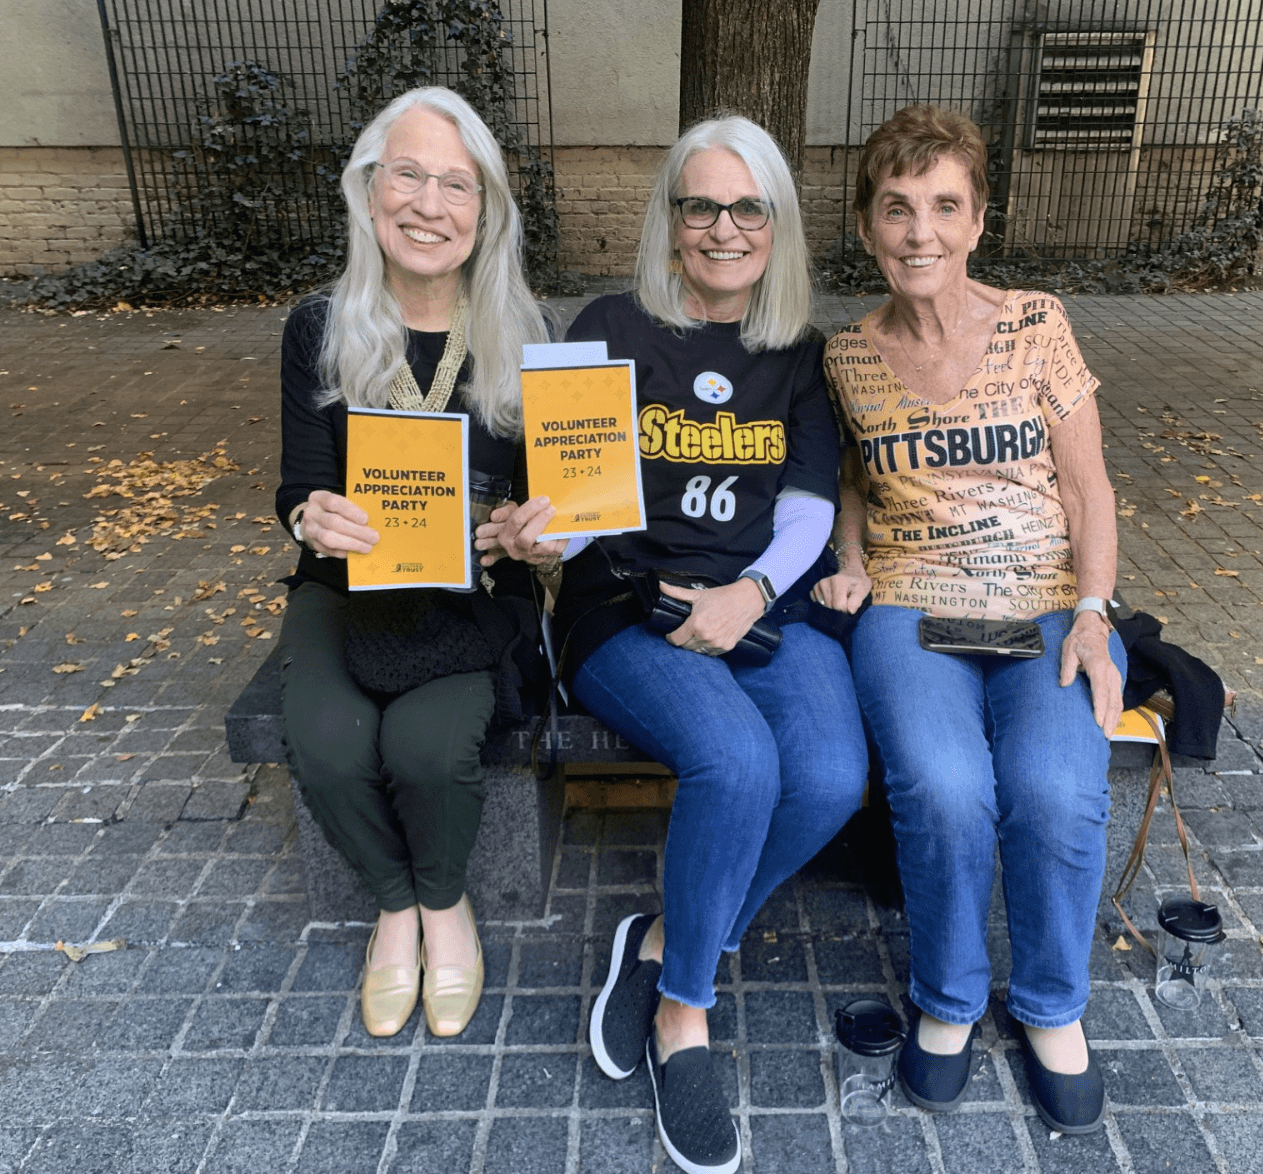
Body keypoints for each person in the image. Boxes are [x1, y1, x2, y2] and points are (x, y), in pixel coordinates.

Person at [481, 116, 866, 1174]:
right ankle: (682, 1016)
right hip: (623, 605)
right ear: (671, 218)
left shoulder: (796, 352)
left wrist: (748, 595)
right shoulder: (610, 323)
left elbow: (802, 510)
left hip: (758, 602)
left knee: (829, 775)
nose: (724, 227)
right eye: (701, 205)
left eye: (749, 207)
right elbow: (570, 500)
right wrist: (543, 528)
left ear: (776, 225)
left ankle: (656, 941)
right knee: (737, 760)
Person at [814, 103, 1126, 1133]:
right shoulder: (846, 357)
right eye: (896, 209)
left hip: (1044, 605)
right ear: (866, 227)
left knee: (1053, 788)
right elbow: (855, 480)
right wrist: (851, 560)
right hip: (910, 605)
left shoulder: (1036, 323)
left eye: (943, 207)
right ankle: (947, 1001)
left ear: (978, 221)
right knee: (945, 789)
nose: (919, 233)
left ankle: (1048, 1007)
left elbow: (1087, 492)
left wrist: (1091, 612)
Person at [274, 86, 547, 1040]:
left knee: (428, 751)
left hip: (472, 594)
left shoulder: (525, 338)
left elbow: (550, 503)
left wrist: (531, 532)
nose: (430, 204)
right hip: (344, 590)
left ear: (487, 211)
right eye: (409, 175)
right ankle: (399, 907)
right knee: (329, 745)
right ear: (368, 191)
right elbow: (295, 486)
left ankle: (447, 905)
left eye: (457, 185)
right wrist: (312, 516)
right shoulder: (319, 325)